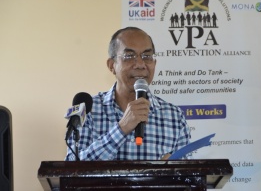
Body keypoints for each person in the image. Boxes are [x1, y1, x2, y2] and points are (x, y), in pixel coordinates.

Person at [65, 27, 191, 161]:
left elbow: (191, 177)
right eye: (129, 56)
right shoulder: (88, 110)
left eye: (147, 56)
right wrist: (122, 128)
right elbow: (72, 166)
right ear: (112, 65)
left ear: (154, 63)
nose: (140, 64)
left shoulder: (174, 116)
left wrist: (171, 171)